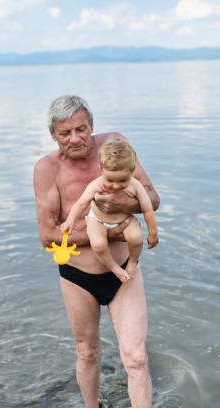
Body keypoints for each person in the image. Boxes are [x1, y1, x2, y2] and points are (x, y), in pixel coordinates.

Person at [34, 95, 159, 408]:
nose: (75, 139)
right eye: (65, 133)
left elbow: (152, 197)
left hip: (125, 272)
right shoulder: (47, 169)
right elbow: (49, 236)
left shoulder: (116, 147)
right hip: (78, 277)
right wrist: (103, 231)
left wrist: (122, 206)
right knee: (87, 351)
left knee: (136, 357)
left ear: (92, 125)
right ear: (53, 135)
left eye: (81, 129)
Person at [59, 137, 159, 283]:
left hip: (125, 219)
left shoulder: (135, 186)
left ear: (132, 172)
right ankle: (114, 267)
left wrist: (153, 233)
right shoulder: (96, 185)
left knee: (137, 238)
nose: (116, 186)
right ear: (101, 169)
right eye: (110, 180)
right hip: (97, 220)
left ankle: (132, 262)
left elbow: (148, 210)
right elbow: (81, 204)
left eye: (122, 180)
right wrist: (70, 221)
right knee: (98, 244)